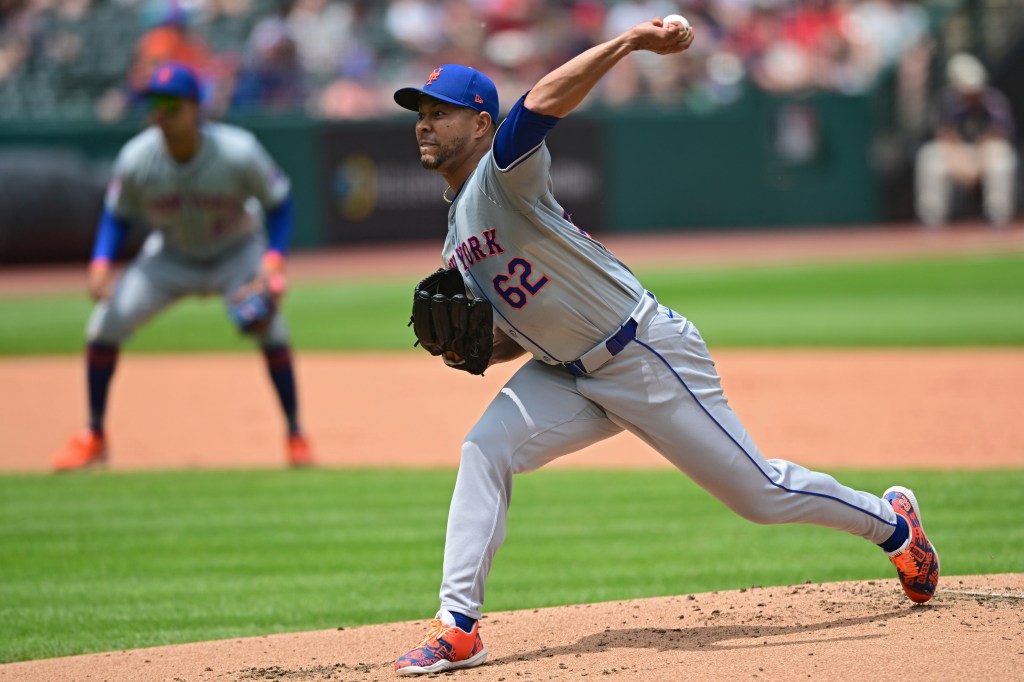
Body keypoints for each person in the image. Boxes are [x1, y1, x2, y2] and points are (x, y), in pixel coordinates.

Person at [390, 17, 939, 677]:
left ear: (479, 124)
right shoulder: (455, 236)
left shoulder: (504, 173)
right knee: (484, 448)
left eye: (440, 112)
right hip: (564, 375)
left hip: (643, 354)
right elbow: (511, 333)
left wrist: (626, 44)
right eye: (419, 113)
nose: (424, 123)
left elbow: (541, 101)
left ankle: (895, 526)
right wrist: (475, 352)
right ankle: (458, 628)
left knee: (758, 494)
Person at [50, 62, 315, 471]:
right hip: (170, 256)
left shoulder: (237, 151)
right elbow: (116, 215)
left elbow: (280, 204)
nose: (160, 113)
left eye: (171, 104)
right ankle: (94, 435)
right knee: (104, 324)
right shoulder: (137, 158)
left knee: (269, 326)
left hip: (236, 252)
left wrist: (272, 262)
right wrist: (101, 261)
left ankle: (296, 435)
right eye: (154, 104)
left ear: (195, 107)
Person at [915, 52, 1018, 226]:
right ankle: (932, 219)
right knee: (929, 157)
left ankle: (998, 216)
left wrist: (978, 161)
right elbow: (945, 136)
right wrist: (961, 162)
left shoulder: (994, 100)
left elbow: (999, 134)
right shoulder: (946, 101)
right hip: (957, 154)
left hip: (985, 152)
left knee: (1003, 158)